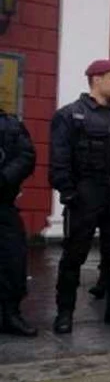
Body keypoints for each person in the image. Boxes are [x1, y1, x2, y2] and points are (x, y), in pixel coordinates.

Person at [49, 59, 110, 333]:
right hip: (85, 192)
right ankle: (64, 313)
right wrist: (68, 192)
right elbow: (59, 157)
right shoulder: (70, 115)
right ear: (96, 79)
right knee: (74, 254)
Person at [0, 109, 37, 337]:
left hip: (3, 203)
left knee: (13, 259)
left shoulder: (10, 124)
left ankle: (10, 314)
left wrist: (3, 178)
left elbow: (26, 156)